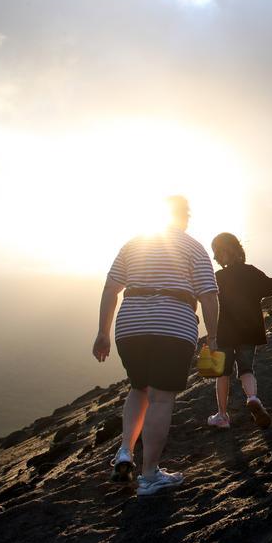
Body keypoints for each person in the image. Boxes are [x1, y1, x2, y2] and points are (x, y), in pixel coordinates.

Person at [92, 195, 218, 496]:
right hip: (173, 326)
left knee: (139, 388)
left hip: (129, 326)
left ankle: (125, 451)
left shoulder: (134, 244)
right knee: (162, 398)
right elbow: (209, 295)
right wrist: (213, 337)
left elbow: (111, 288)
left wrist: (102, 333)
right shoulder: (194, 247)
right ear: (185, 217)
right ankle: (149, 475)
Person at [208, 233, 272, 430]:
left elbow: (207, 301)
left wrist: (210, 335)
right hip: (250, 329)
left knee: (221, 373)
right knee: (246, 369)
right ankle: (253, 398)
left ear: (219, 255)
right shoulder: (250, 272)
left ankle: (222, 416)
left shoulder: (216, 277)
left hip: (224, 330)